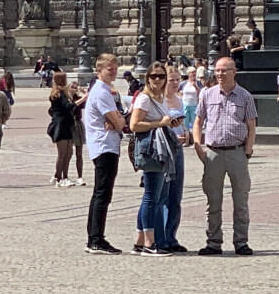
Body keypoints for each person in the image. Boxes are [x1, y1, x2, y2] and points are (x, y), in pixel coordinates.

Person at [192, 55, 256, 255]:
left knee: (241, 200)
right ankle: (213, 242)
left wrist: (247, 152)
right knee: (213, 200)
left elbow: (251, 126)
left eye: (224, 70)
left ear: (234, 72)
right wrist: (198, 147)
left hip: (237, 151)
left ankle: (241, 242)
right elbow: (198, 121)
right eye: (217, 70)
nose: (219, 74)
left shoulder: (245, 96)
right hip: (213, 153)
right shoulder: (207, 94)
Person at [130, 63, 181, 255]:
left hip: (159, 149)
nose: (157, 80)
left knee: (152, 197)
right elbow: (134, 125)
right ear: (147, 78)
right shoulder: (144, 98)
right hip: (151, 150)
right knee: (152, 197)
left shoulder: (160, 98)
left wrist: (170, 123)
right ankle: (149, 244)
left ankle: (139, 240)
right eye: (153, 76)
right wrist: (160, 123)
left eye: (161, 76)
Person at [83, 53, 128, 254]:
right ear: (99, 70)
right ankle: (95, 239)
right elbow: (119, 122)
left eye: (115, 68)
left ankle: (95, 237)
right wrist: (118, 120)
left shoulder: (103, 91)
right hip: (104, 146)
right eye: (109, 68)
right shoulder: (101, 92)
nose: (113, 71)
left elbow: (118, 120)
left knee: (101, 193)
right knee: (102, 193)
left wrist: (118, 120)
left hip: (105, 145)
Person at [47, 69, 81, 185]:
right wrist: (82, 99)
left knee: (68, 152)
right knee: (62, 153)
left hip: (66, 124)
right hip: (61, 126)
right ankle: (59, 177)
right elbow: (68, 106)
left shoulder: (63, 93)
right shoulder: (59, 93)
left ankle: (63, 176)